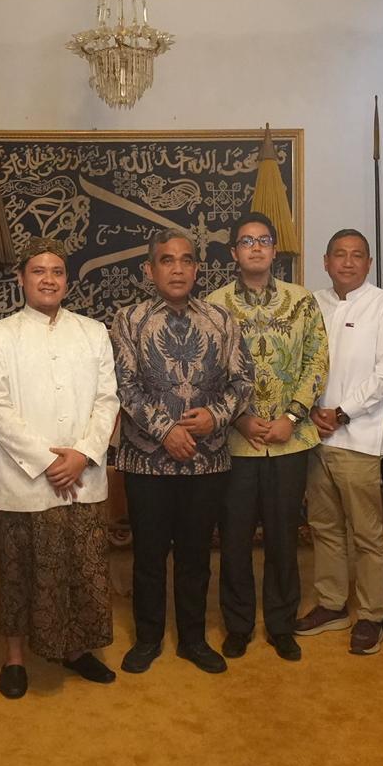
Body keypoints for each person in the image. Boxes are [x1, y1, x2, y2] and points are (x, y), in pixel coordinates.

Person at [0, 237, 121, 699]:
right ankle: (15, 658)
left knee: (81, 568)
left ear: (67, 281)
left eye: (57, 271)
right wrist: (46, 462)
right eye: (38, 271)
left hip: (83, 475)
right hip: (26, 479)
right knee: (19, 571)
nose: (48, 279)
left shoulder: (93, 332)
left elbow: (107, 399)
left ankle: (76, 649)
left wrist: (82, 455)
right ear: (21, 278)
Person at [111, 230, 254, 675]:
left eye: (186, 260)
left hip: (206, 461)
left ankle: (193, 639)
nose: (177, 269)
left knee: (196, 557)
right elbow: (123, 386)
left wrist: (216, 415)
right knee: (149, 557)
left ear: (196, 269)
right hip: (146, 462)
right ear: (149, 269)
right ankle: (148, 638)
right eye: (167, 260)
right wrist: (165, 430)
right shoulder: (128, 320)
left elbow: (243, 382)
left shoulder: (222, 320)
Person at [205, 212, 328, 663]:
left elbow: (317, 361)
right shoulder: (214, 304)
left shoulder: (302, 301)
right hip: (235, 445)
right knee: (234, 540)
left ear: (275, 250)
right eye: (246, 241)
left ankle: (280, 624)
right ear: (233, 252)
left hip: (288, 441)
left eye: (263, 240)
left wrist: (292, 416)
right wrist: (238, 418)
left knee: (283, 538)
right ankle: (238, 625)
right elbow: (206, 371)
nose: (255, 248)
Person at [298, 229, 383, 656]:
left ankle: (370, 614)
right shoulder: (313, 303)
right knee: (324, 527)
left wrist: (342, 412)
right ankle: (331, 604)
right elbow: (301, 364)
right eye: (339, 255)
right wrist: (311, 410)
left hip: (359, 438)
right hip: (313, 436)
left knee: (366, 532)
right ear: (325, 262)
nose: (348, 262)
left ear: (368, 263)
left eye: (357, 255)